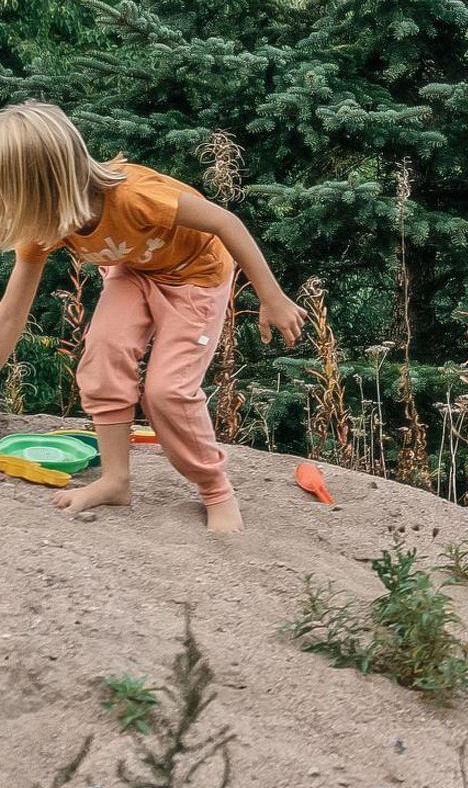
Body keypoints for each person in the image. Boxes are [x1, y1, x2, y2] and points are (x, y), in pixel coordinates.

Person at [0, 101, 306, 533]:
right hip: (134, 271)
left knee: (167, 391)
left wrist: (271, 297)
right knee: (103, 357)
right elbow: (10, 316)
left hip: (197, 277)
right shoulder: (46, 225)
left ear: (42, 183)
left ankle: (216, 490)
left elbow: (227, 222)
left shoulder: (135, 196)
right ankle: (115, 480)